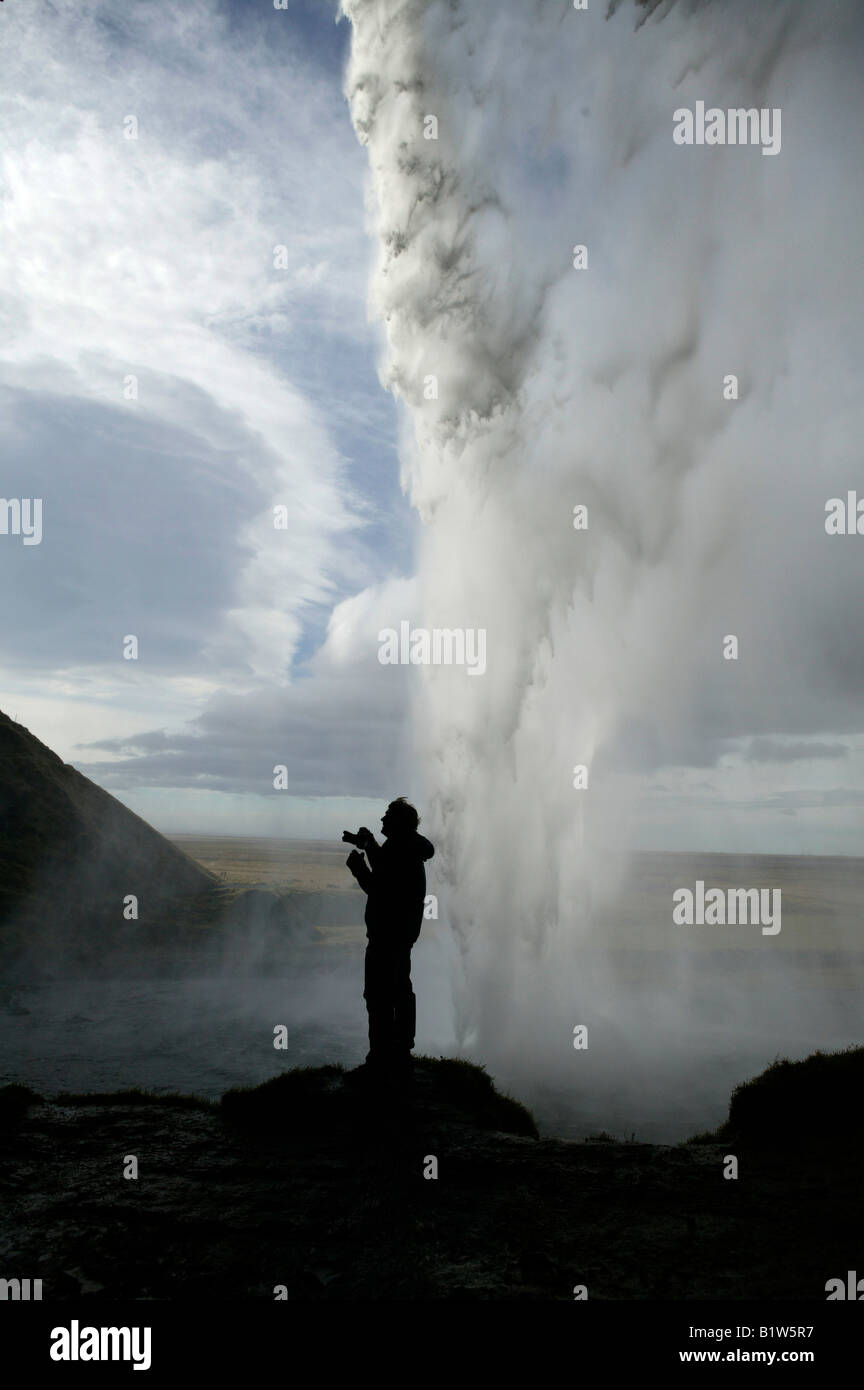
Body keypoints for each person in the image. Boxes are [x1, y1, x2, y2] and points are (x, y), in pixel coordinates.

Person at [345, 798, 434, 1077]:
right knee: (398, 992)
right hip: (400, 936)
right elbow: (386, 867)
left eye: (386, 817)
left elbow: (380, 887)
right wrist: (369, 843)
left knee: (379, 996)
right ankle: (400, 1053)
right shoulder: (407, 848)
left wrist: (358, 868)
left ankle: (381, 1061)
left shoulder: (400, 850)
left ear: (397, 823)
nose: (382, 821)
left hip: (387, 937)